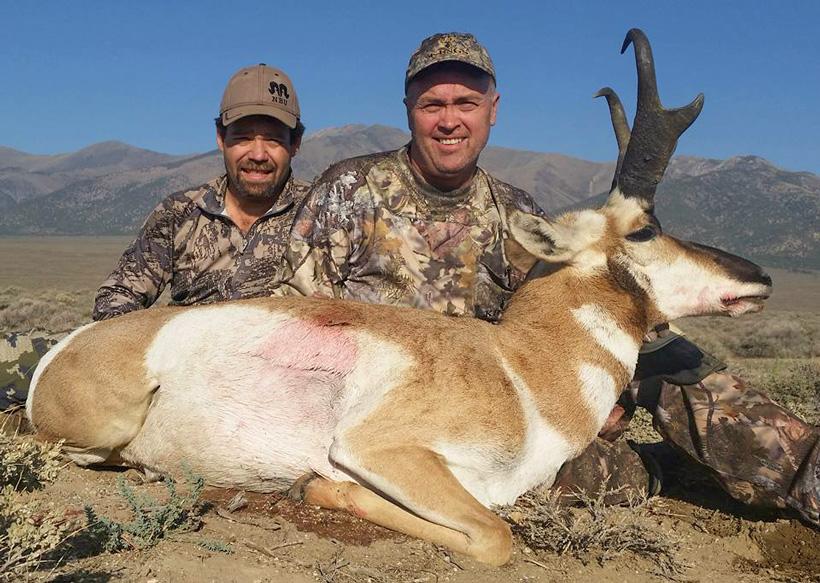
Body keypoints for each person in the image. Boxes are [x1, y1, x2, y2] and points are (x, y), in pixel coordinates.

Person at [283, 32, 819, 528]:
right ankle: (662, 469)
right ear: (409, 112)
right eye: (432, 105)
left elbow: (561, 325)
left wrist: (597, 392)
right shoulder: (349, 190)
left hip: (499, 397)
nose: (449, 120)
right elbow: (301, 310)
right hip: (402, 406)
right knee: (583, 480)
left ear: (493, 110)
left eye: (465, 103)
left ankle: (804, 469)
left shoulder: (518, 212)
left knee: (657, 347)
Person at [1, 63, 309, 405]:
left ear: (295, 143)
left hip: (282, 386)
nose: (258, 154)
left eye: (274, 139)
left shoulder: (325, 216)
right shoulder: (179, 212)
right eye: (242, 137)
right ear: (221, 139)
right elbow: (116, 297)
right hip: (176, 375)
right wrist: (152, 354)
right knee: (19, 360)